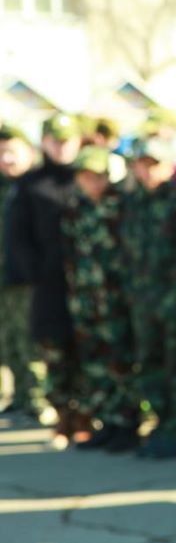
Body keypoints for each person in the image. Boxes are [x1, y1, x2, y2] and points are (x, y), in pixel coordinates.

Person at [7, 113, 90, 447]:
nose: (62, 147)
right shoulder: (31, 184)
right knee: (54, 350)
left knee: (89, 349)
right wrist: (35, 274)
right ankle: (63, 417)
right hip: (48, 283)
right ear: (44, 142)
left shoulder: (88, 177)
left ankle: (86, 416)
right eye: (55, 141)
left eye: (68, 141)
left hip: (89, 282)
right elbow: (18, 236)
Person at [61, 146, 139, 451]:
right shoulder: (74, 208)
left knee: (121, 361)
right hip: (85, 299)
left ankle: (127, 422)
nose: (91, 182)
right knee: (95, 361)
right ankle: (106, 420)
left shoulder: (120, 206)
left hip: (117, 298)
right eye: (85, 176)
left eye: (97, 176)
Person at [122, 137, 176, 458]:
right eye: (141, 164)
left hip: (172, 297)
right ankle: (162, 423)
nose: (146, 171)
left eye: (153, 164)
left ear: (167, 166)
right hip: (141, 297)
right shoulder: (133, 203)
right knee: (149, 363)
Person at [0, 125, 44, 418]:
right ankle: (19, 395)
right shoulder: (6, 188)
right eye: (2, 153)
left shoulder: (37, 187)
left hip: (31, 279)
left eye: (12, 152)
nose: (7, 159)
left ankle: (37, 398)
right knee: (10, 339)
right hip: (5, 277)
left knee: (31, 340)